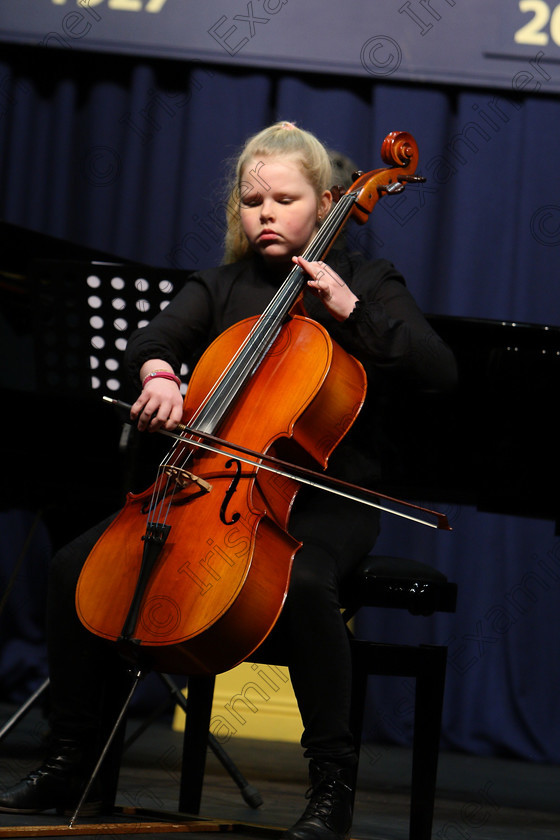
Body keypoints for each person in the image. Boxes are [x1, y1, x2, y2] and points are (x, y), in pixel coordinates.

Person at [0, 122, 457, 840]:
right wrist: (156, 374)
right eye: (252, 200)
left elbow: (440, 371)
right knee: (70, 567)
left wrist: (350, 313)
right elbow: (156, 339)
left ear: (323, 202)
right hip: (212, 486)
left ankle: (330, 787)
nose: (266, 213)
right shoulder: (220, 286)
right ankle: (70, 756)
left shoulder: (367, 281)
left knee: (305, 585)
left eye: (284, 197)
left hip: (323, 493)